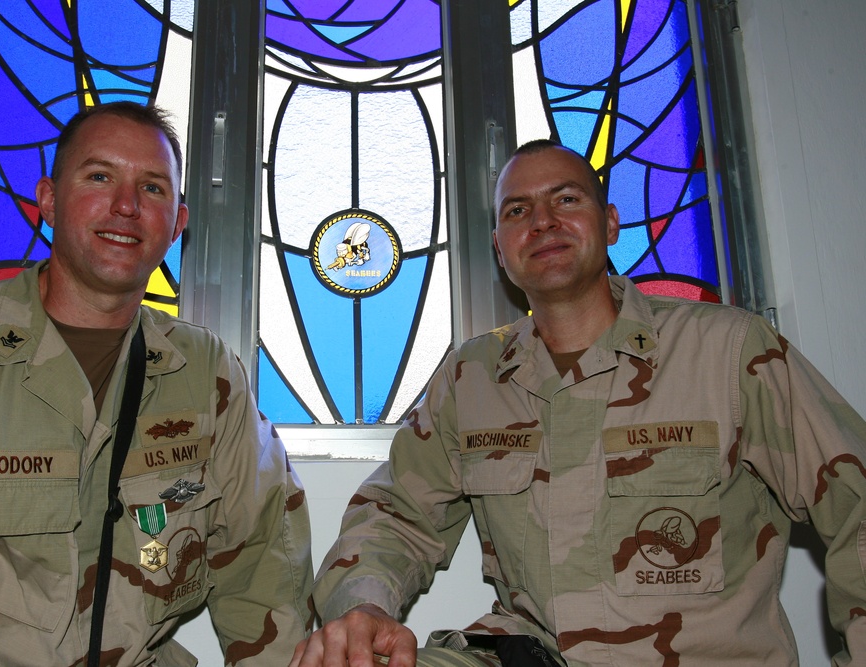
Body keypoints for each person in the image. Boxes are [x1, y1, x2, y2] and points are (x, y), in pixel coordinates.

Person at [290, 139, 866, 666]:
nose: (542, 221)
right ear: (499, 247)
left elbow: (858, 505)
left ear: (609, 222)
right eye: (517, 211)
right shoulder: (473, 378)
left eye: (566, 199)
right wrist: (362, 611)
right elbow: (395, 515)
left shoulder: (729, 352)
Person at [0, 102, 313, 666]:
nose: (126, 206)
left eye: (152, 189)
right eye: (100, 177)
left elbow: (262, 563)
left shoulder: (206, 371)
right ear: (48, 200)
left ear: (177, 224)